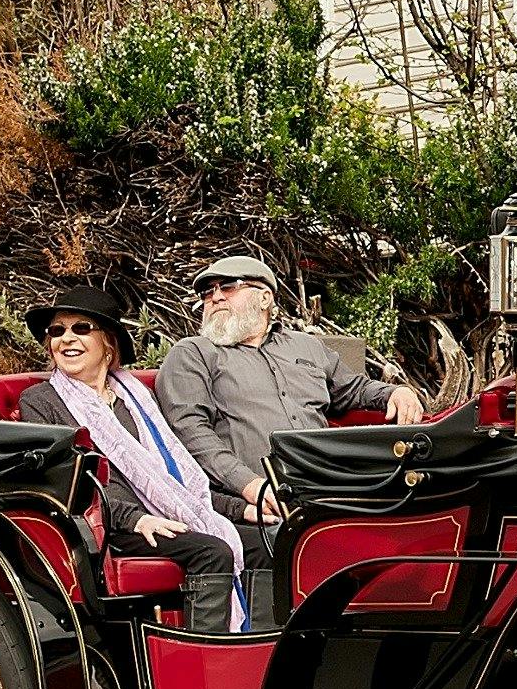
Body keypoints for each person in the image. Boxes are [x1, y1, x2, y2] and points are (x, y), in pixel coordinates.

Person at [158, 252, 422, 623]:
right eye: (207, 292)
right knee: (281, 538)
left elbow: (354, 390)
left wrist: (395, 392)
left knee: (406, 532)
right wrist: (250, 485)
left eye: (227, 287)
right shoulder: (194, 353)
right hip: (244, 502)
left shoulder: (307, 348)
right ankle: (266, 647)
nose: (214, 297)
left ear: (265, 297)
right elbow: (189, 431)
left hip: (325, 490)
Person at [13, 285, 246, 634]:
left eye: (81, 328)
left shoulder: (137, 398)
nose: (66, 338)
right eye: (57, 331)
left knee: (260, 541)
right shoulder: (41, 401)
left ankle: (263, 656)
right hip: (104, 526)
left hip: (162, 514)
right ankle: (208, 658)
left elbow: (176, 479)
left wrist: (240, 509)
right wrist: (136, 519)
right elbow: (66, 482)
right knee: (212, 551)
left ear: (108, 344)